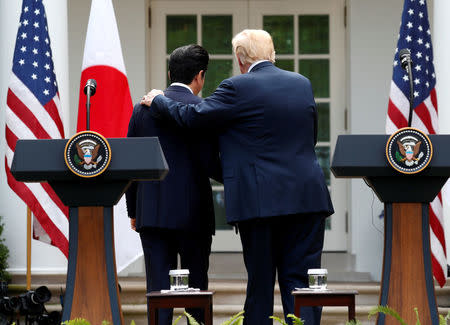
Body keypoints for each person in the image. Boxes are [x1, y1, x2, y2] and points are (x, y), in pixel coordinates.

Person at [140, 30, 334, 325]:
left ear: (241, 60)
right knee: (303, 287)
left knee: (260, 286)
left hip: (259, 204)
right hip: (307, 198)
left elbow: (192, 117)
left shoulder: (237, 87)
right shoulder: (302, 84)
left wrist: (158, 101)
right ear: (272, 54)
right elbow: (308, 136)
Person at [125, 44, 221, 325]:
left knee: (157, 292)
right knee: (196, 292)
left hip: (152, 213)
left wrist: (133, 210)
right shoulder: (202, 109)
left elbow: (132, 164)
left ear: (170, 73)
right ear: (200, 76)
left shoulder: (141, 109)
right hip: (194, 214)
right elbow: (210, 164)